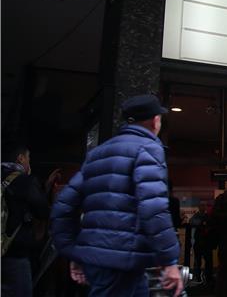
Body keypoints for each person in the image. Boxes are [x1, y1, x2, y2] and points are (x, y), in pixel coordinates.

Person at [50, 94, 183, 297]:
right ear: (156, 120)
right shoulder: (148, 148)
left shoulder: (97, 153)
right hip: (124, 262)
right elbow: (153, 208)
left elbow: (63, 205)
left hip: (100, 259)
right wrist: (169, 260)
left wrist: (74, 251)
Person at [1, 143, 58, 297]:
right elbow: (42, 211)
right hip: (14, 254)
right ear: (20, 159)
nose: (29, 163)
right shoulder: (24, 180)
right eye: (28, 159)